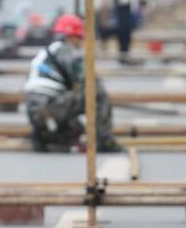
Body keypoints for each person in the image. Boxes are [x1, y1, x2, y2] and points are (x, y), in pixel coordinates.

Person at [23, 13, 122, 153]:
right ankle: (105, 140)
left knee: (75, 126)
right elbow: (86, 78)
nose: (80, 42)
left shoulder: (46, 52)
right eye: (79, 38)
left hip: (35, 108)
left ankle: (45, 134)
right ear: (72, 36)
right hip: (51, 105)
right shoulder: (66, 49)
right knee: (97, 92)